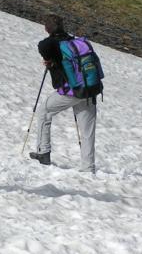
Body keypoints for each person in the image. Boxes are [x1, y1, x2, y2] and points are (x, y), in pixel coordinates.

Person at [29, 14, 97, 173]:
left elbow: (43, 46)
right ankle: (88, 168)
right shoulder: (76, 41)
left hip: (71, 91)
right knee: (87, 131)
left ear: (47, 28)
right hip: (89, 88)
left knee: (44, 111)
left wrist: (49, 59)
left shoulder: (51, 42)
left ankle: (43, 152)